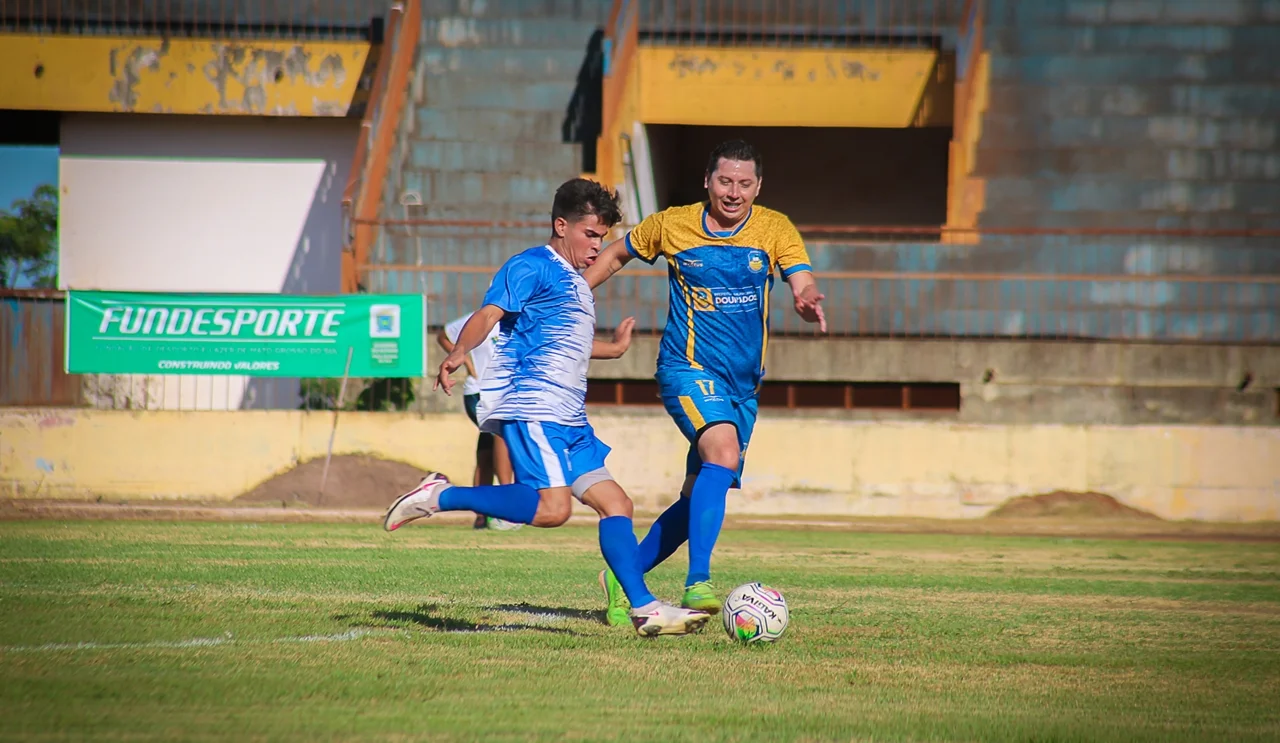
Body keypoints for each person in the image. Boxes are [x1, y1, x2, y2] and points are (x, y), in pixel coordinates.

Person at [382, 177, 712, 637]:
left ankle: (643, 608)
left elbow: (561, 341)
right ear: (561, 225)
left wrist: (610, 350)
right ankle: (439, 495)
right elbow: (489, 313)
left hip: (570, 417)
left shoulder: (576, 283)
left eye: (602, 237)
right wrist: (459, 352)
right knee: (552, 510)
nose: (598, 247)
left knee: (616, 503)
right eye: (590, 235)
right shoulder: (531, 265)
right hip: (534, 406)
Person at [581, 140, 826, 626]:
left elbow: (802, 278)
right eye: (724, 181)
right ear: (707, 181)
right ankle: (698, 583)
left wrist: (807, 297)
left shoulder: (774, 228)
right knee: (723, 453)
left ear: (758, 186)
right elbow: (614, 256)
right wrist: (570, 296)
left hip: (743, 387)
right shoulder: (672, 224)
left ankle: (623, 574)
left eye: (744, 183)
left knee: (698, 493)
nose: (733, 192)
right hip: (687, 368)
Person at [437, 314, 518, 530]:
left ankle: (482, 516)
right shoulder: (482, 318)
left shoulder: (520, 320)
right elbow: (443, 335)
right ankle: (506, 505)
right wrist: (464, 360)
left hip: (503, 394)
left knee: (487, 453)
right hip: (480, 392)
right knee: (501, 433)